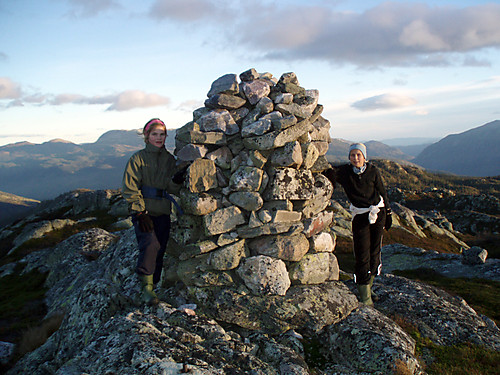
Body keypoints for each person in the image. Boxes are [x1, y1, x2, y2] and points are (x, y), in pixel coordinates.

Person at [122, 118, 185, 305]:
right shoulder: (137, 159)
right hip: (144, 212)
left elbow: (171, 189)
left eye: (162, 134)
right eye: (154, 134)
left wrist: (176, 180)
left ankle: (154, 284)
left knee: (161, 247)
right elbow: (130, 187)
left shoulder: (169, 160)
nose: (158, 138)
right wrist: (140, 213)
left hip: (163, 210)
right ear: (147, 136)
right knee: (149, 245)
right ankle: (146, 289)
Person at [323, 143, 392, 306]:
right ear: (349, 157)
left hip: (378, 213)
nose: (355, 158)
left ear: (364, 156)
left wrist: (388, 213)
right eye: (352, 155)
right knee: (362, 255)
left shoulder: (373, 171)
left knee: (375, 251)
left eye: (358, 155)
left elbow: (382, 191)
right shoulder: (345, 172)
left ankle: (368, 286)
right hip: (360, 216)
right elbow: (328, 172)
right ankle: (365, 296)